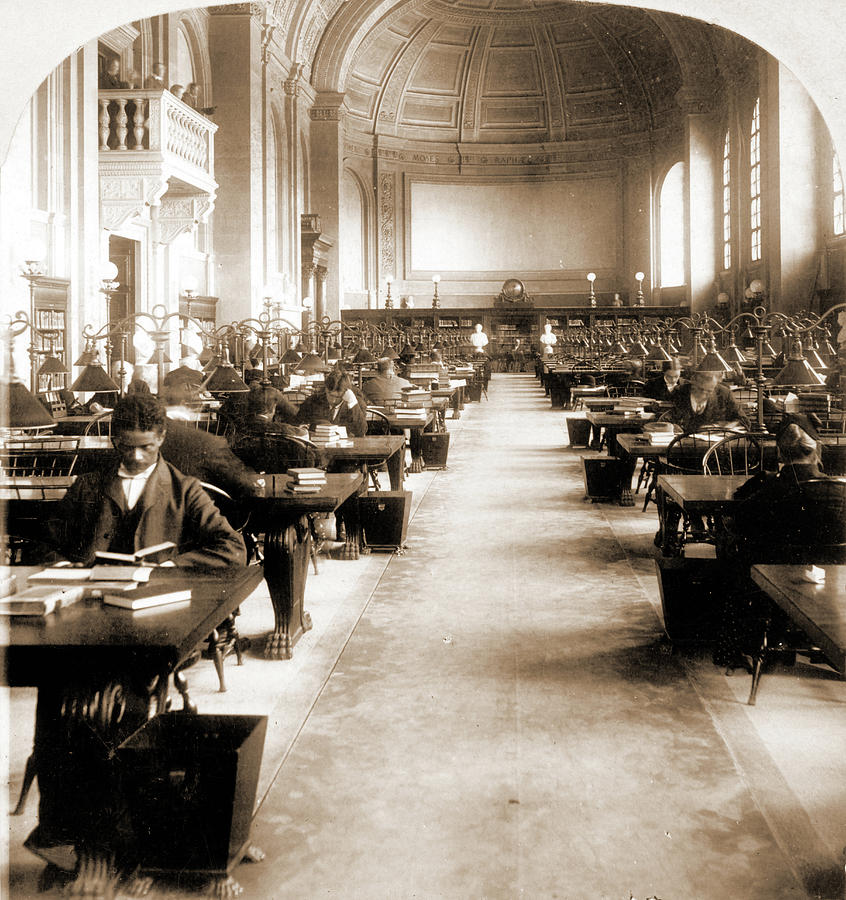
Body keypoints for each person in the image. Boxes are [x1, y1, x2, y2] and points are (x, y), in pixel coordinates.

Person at [46, 393, 245, 567]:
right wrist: (63, 566)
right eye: (126, 447)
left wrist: (173, 566)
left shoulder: (185, 490)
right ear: (115, 440)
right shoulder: (86, 486)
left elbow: (232, 547)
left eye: (145, 447)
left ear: (161, 438)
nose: (136, 457)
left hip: (155, 596)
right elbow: (45, 544)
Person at [665, 368, 747, 432]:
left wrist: (724, 427)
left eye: (709, 391)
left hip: (717, 446)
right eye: (700, 389)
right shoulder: (680, 392)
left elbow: (743, 420)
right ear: (693, 382)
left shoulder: (724, 394)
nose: (703, 394)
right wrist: (671, 426)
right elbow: (664, 418)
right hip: (683, 446)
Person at [295, 370, 367, 436]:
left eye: (338, 397)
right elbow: (297, 424)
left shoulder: (356, 404)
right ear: (326, 389)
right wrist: (303, 427)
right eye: (330, 395)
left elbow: (361, 432)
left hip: (347, 448)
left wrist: (352, 403)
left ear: (346, 393)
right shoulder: (312, 401)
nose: (333, 400)